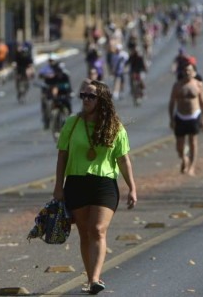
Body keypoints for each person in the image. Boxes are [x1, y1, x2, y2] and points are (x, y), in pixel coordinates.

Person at [53, 80, 137, 294]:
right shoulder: (72, 123)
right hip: (76, 183)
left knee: (97, 229)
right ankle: (91, 278)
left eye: (91, 96)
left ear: (102, 101)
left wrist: (132, 188)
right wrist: (58, 187)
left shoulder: (115, 127)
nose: (86, 100)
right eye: (83, 96)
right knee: (84, 232)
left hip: (104, 184)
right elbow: (62, 155)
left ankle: (96, 278)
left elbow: (123, 160)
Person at [168, 62, 203, 176]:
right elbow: (171, 103)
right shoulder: (177, 86)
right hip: (180, 116)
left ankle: (192, 167)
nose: (187, 72)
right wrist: (171, 119)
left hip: (194, 116)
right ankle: (184, 159)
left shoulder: (198, 85)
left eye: (189, 70)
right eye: (185, 70)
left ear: (194, 72)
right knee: (179, 146)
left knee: (193, 142)